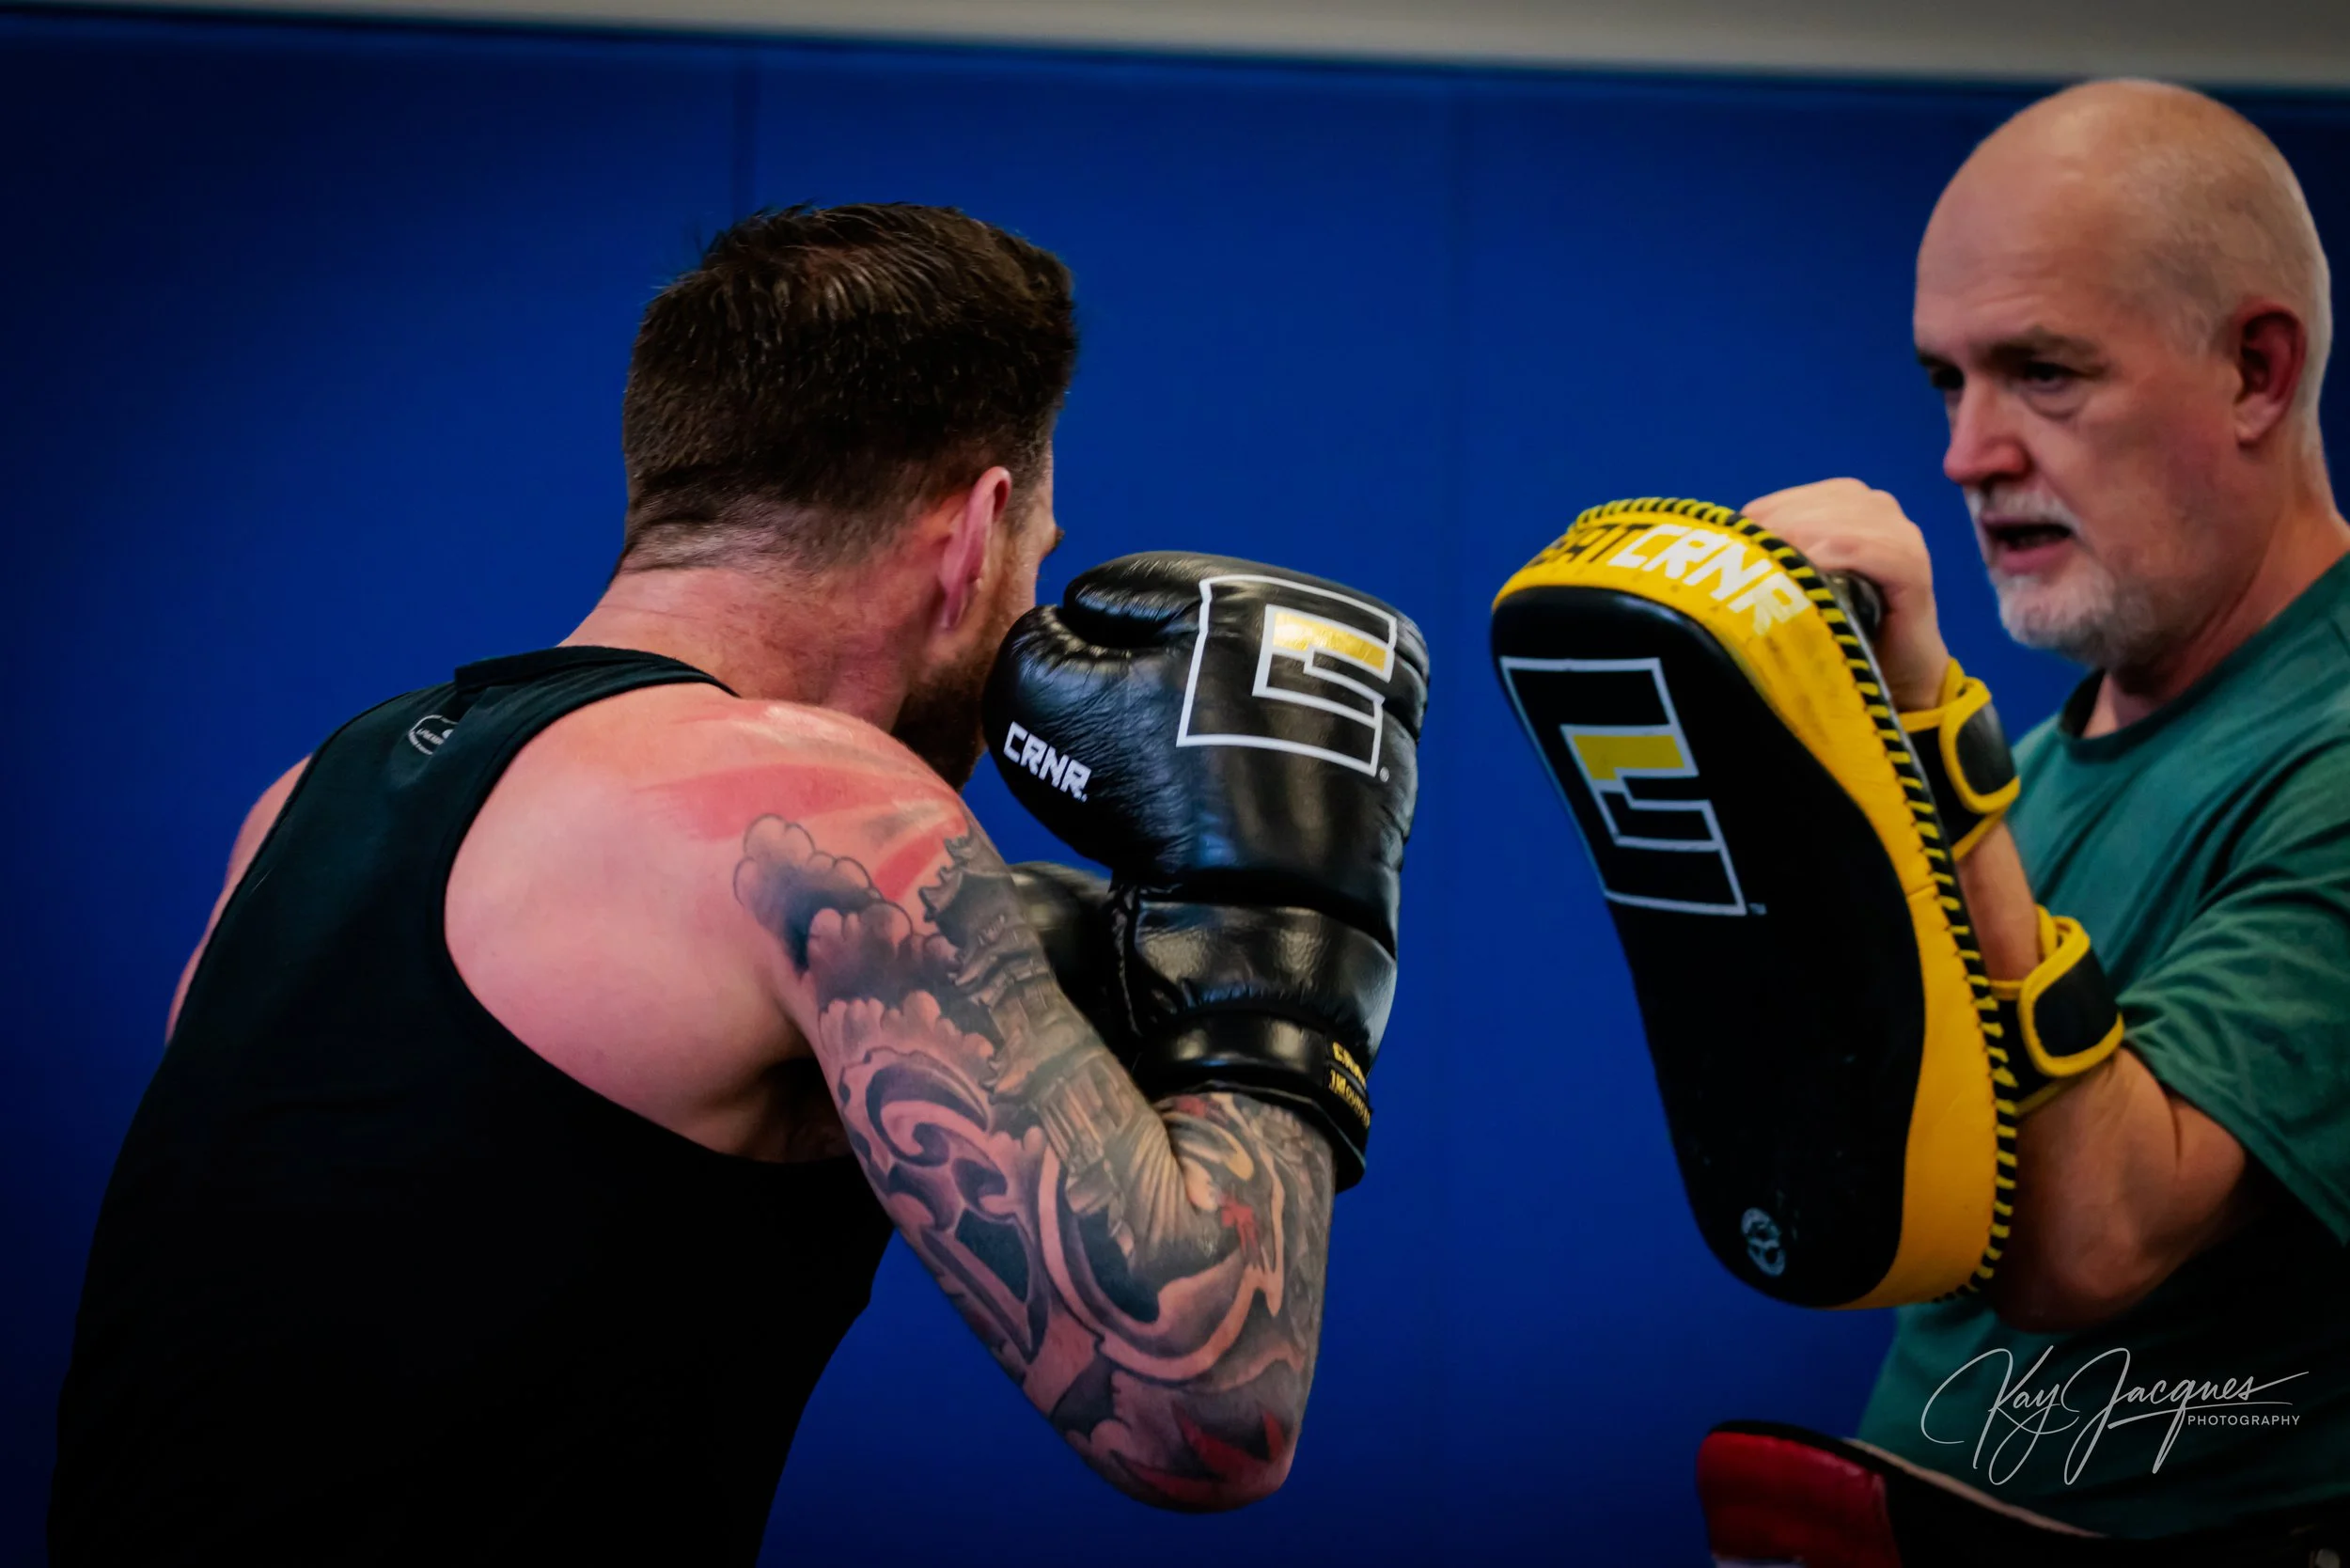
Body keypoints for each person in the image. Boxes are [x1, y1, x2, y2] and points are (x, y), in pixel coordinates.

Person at [49, 204, 1423, 1563]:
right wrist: (1279, 937)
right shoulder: (827, 809)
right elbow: (1206, 1414)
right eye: (1036, 558)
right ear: (974, 529)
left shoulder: (308, 799)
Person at [1742, 80, 2350, 1534]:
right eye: (1949, 383)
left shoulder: (2322, 753)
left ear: (2258, 371)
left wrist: (1923, 743)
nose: (1969, 454)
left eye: (2045, 374)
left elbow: (2093, 1238)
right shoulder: (2039, 763)